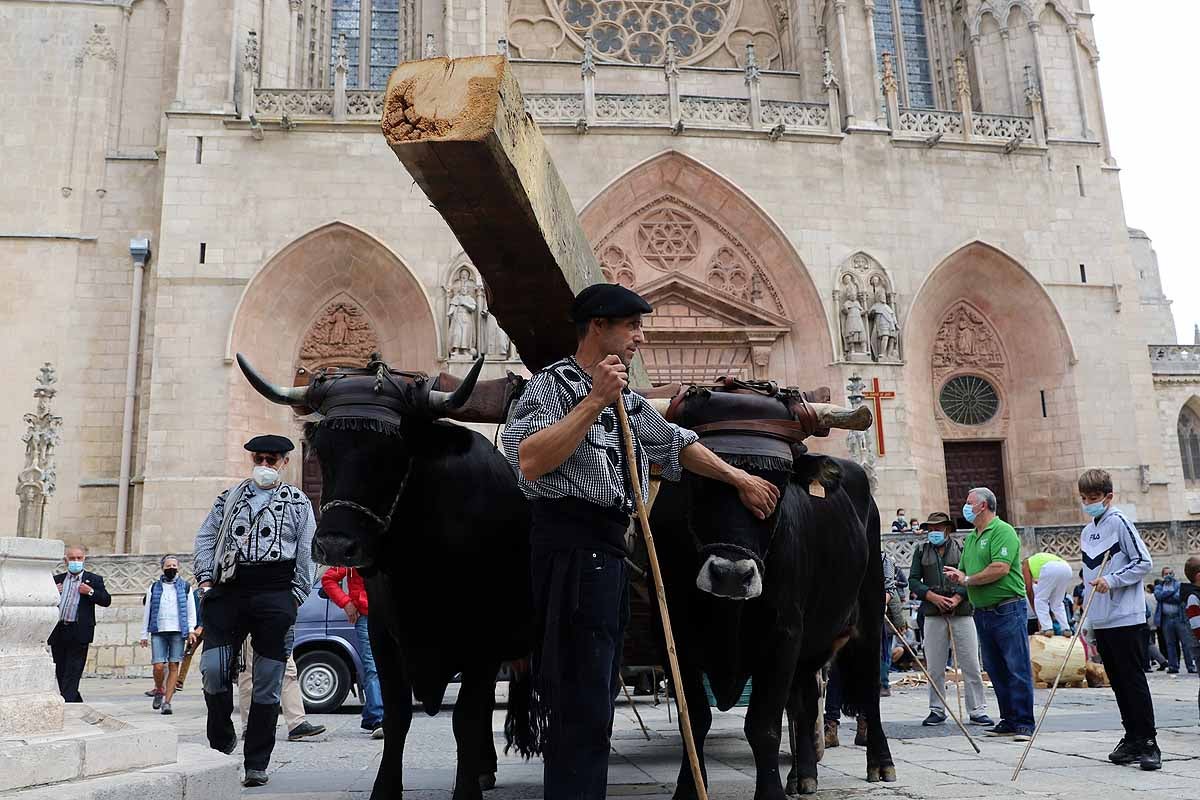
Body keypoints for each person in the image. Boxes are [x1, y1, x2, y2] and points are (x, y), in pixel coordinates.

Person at [501, 283, 780, 800]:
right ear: (599, 326)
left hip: (608, 549)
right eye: (632, 327)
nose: (640, 339)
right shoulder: (551, 387)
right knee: (578, 691)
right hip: (569, 545)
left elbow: (677, 443)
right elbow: (532, 459)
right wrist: (593, 402)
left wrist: (737, 480)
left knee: (599, 688)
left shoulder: (625, 398)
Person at [194, 434, 316, 788]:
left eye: (272, 460)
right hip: (228, 590)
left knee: (267, 685)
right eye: (259, 459)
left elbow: (307, 550)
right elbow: (205, 537)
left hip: (275, 592)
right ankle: (221, 734)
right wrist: (204, 578)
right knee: (213, 669)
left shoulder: (298, 502)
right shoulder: (228, 499)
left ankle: (256, 762)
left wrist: (295, 595)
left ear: (284, 462)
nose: (265, 466)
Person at [1076, 468, 1159, 770]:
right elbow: (1088, 576)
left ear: (1108, 497)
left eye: (1094, 498)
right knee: (1118, 683)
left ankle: (1149, 741)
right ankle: (1132, 737)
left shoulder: (1120, 522)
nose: (1088, 503)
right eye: (1084, 498)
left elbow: (1143, 561)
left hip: (1126, 616)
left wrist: (1112, 580)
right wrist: (1087, 620)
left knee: (1133, 680)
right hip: (1102, 618)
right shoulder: (1088, 532)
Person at [943, 487, 1035, 740]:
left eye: (969, 502)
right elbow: (964, 572)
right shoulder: (972, 537)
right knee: (995, 668)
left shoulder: (1002, 531)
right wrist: (957, 578)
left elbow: (1000, 568)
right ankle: (1008, 719)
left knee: (1016, 666)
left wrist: (968, 579)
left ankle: (1024, 722)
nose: (965, 506)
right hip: (982, 611)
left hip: (1007, 608)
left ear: (983, 506)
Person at [908, 512, 992, 727]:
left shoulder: (963, 548)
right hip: (933, 612)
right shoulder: (920, 550)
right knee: (935, 665)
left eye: (938, 528)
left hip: (961, 611)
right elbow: (914, 581)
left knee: (971, 663)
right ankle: (936, 709)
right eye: (930, 529)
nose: (934, 533)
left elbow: (970, 575)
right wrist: (932, 597)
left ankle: (977, 709)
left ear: (947, 529)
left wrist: (956, 597)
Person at [322, 566, 384, 738]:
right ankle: (378, 718)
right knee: (373, 668)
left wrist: (348, 603)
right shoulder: (356, 551)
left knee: (377, 668)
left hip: (381, 614)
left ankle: (374, 716)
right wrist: (347, 603)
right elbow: (328, 579)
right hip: (367, 616)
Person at [48, 545, 112, 703]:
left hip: (80, 630)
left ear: (84, 559)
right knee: (61, 671)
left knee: (74, 670)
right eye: (72, 558)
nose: (75, 561)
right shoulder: (56, 580)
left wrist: (90, 592)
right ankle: (76, 701)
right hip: (59, 630)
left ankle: (67, 704)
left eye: (79, 558)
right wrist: (51, 592)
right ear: (65, 560)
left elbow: (106, 600)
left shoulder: (93, 579)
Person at [139, 555, 198, 714]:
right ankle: (159, 689)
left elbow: (191, 610)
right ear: (162, 567)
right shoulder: (153, 587)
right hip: (158, 630)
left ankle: (167, 702)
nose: (171, 568)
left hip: (178, 632)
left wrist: (191, 629)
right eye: (168, 565)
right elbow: (148, 612)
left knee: (173, 665)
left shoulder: (185, 587)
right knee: (158, 666)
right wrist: (143, 634)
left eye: (174, 565)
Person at [238, 644, 325, 741]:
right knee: (250, 672)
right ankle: (250, 726)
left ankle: (296, 723)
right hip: (250, 631)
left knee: (289, 671)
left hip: (279, 630)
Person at [1155, 566, 1197, 673]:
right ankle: (1173, 667)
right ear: (1162, 576)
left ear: (1173, 574)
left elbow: (1178, 598)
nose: (1168, 575)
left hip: (1179, 618)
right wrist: (1172, 593)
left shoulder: (1178, 585)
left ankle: (1190, 666)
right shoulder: (1160, 586)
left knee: (1186, 643)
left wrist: (1167, 596)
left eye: (1170, 573)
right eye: (1166, 574)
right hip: (1166, 619)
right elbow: (1159, 596)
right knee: (1170, 644)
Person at [1022, 551, 1074, 636]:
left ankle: (1047, 628)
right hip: (1066, 568)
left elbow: (1029, 590)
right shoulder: (1039, 561)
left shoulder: (1025, 564)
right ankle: (1066, 628)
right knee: (1057, 603)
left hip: (1050, 569)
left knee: (1040, 600)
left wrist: (1037, 612)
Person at [880, 553, 906, 697]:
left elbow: (894, 602)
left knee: (884, 653)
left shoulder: (886, 561)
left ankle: (883, 684)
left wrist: (900, 623)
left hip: (885, 622)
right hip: (882, 621)